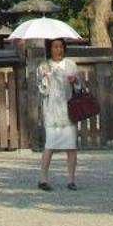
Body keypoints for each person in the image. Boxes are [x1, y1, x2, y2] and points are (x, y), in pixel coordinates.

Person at [35, 36, 85, 191]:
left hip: (68, 111)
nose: (58, 49)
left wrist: (74, 81)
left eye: (61, 46)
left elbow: (79, 88)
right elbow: (42, 91)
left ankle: (71, 179)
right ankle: (43, 179)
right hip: (52, 111)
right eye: (55, 46)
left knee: (71, 147)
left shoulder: (71, 65)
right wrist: (45, 79)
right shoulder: (44, 66)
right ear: (50, 48)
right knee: (49, 145)